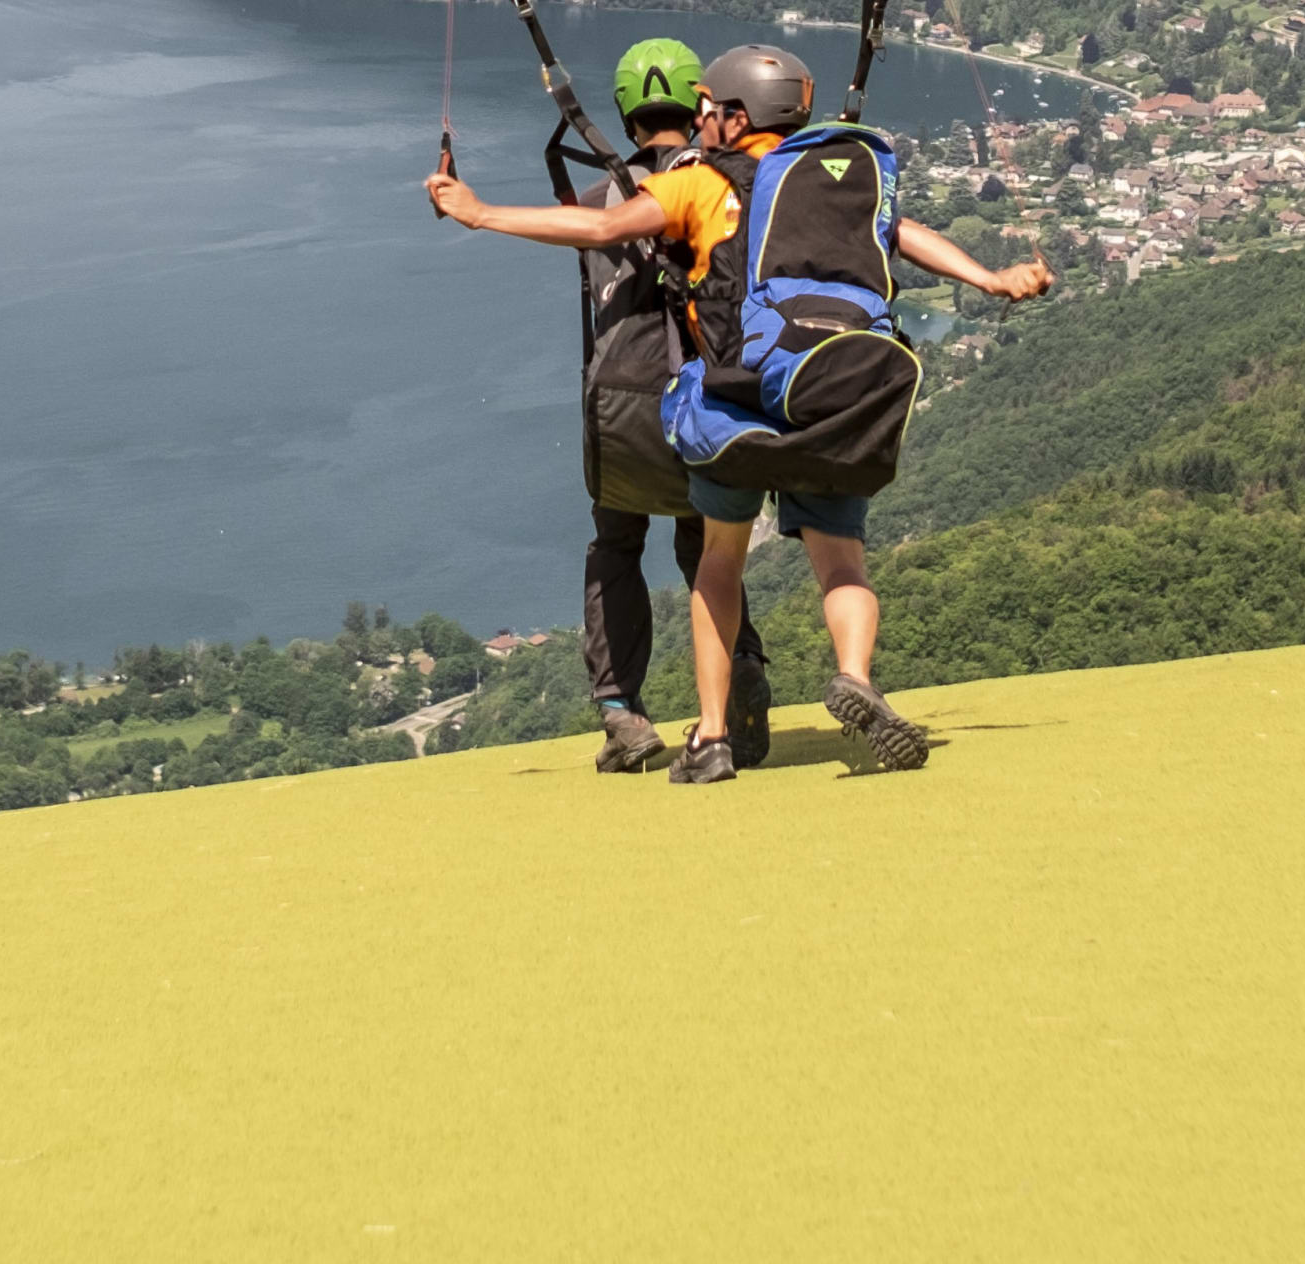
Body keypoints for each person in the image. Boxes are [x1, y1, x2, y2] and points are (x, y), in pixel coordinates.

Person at [426, 41, 1050, 786]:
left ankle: (712, 738)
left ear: (733, 116)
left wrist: (479, 212)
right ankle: (856, 675)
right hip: (829, 398)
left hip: (738, 404)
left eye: (709, 112)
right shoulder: (836, 182)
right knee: (842, 560)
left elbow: (600, 229)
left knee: (717, 558)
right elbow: (900, 235)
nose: (699, 124)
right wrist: (990, 278)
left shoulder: (699, 184)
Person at [563, 36, 772, 775]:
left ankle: (623, 712)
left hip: (615, 407)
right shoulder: (725, 190)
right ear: (700, 105)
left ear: (625, 111)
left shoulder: (597, 202)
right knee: (706, 543)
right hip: (700, 398)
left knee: (616, 544)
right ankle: (740, 663)